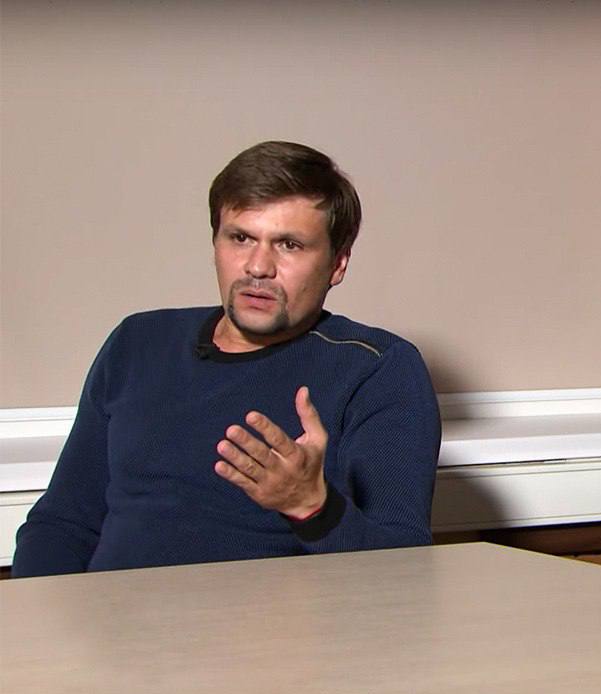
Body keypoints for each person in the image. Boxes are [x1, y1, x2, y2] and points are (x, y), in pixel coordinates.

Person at [13, 141, 440, 576]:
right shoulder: (138, 343)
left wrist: (311, 507)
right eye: (240, 238)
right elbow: (63, 523)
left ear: (337, 264)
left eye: (289, 245)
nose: (257, 267)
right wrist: (34, 613)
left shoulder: (378, 369)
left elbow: (401, 570)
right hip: (107, 612)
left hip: (264, 620)